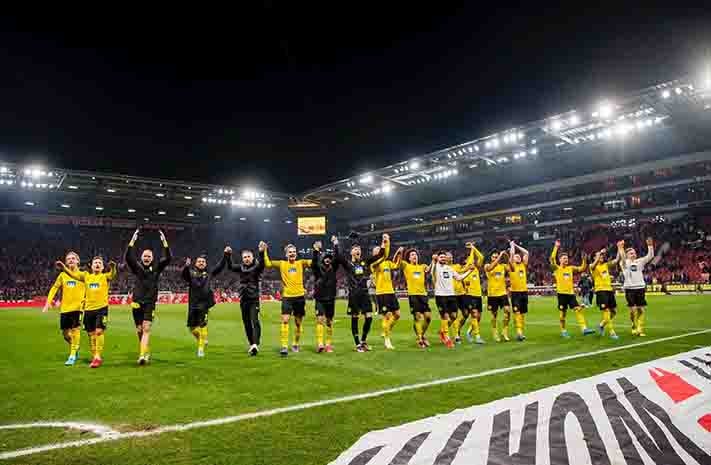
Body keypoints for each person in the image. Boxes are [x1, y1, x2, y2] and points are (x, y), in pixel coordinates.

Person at [56, 256, 117, 368]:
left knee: (99, 332)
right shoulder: (86, 276)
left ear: (103, 267)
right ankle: (94, 356)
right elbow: (72, 274)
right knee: (91, 334)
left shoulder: (105, 276)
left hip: (101, 308)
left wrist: (113, 267)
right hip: (88, 310)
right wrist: (64, 267)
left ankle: (98, 356)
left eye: (100, 263)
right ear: (91, 266)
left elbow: (112, 274)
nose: (97, 264)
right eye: (95, 263)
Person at [124, 228, 172, 365]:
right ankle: (145, 351)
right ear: (141, 258)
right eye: (145, 256)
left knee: (146, 328)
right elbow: (127, 257)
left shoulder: (157, 268)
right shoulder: (137, 268)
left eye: (149, 256)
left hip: (150, 303)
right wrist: (133, 240)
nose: (147, 258)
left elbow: (168, 258)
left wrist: (164, 242)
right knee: (139, 330)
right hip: (136, 303)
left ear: (153, 258)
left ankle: (142, 356)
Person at [333, 235, 384, 352]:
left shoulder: (365, 262)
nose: (358, 250)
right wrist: (336, 243)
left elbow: (379, 255)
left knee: (369, 317)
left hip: (365, 294)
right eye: (355, 249)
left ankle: (363, 341)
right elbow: (338, 256)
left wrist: (384, 243)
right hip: (354, 294)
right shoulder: (348, 264)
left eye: (359, 249)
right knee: (355, 317)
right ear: (351, 252)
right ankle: (357, 344)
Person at [264, 242, 312, 356]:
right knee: (285, 320)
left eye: (294, 252)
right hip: (287, 297)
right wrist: (265, 251)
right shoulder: (282, 264)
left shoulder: (301, 263)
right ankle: (284, 346)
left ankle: (295, 343)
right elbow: (267, 263)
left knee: (298, 323)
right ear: (286, 254)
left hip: (300, 296)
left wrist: (316, 251)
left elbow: (313, 262)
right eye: (290, 252)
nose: (292, 254)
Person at [181, 248, 229, 358]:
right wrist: (186, 266)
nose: (201, 263)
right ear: (196, 263)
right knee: (192, 328)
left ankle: (201, 349)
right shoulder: (191, 273)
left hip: (204, 304)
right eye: (199, 262)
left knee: (203, 326)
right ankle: (202, 339)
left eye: (203, 262)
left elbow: (220, 266)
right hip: (193, 304)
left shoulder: (209, 273)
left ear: (205, 264)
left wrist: (225, 255)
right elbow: (184, 275)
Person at [42, 251, 86, 366]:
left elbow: (91, 288)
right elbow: (54, 288)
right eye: (68, 259)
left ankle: (72, 356)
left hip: (78, 308)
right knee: (66, 334)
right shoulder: (62, 275)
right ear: (66, 262)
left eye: (73, 258)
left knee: (75, 330)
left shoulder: (83, 275)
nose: (70, 260)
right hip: (65, 308)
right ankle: (75, 346)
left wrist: (88, 300)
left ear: (78, 261)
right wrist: (48, 303)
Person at [227, 242, 267, 356]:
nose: (247, 259)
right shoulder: (240, 268)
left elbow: (262, 264)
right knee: (246, 323)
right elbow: (230, 266)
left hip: (254, 299)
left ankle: (255, 344)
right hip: (243, 299)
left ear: (252, 257)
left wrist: (261, 252)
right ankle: (251, 344)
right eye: (244, 257)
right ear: (242, 259)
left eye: (248, 256)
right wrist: (228, 255)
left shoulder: (256, 267)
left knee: (255, 321)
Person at [550, 240, 595, 338]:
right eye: (564, 258)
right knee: (562, 315)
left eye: (567, 258)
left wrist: (584, 260)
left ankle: (584, 329)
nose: (566, 260)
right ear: (560, 260)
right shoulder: (557, 268)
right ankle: (563, 330)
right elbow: (552, 258)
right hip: (561, 294)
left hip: (570, 294)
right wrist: (556, 247)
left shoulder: (571, 268)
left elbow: (582, 268)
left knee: (578, 309)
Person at [430, 250, 474, 348]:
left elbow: (459, 278)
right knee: (445, 316)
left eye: (444, 257)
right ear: (438, 258)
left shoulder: (449, 268)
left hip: (451, 295)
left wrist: (470, 271)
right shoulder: (436, 267)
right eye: (441, 257)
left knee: (454, 316)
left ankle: (442, 331)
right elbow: (431, 272)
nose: (443, 258)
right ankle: (447, 337)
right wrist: (433, 261)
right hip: (440, 295)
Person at [370, 234, 403, 350]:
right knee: (387, 316)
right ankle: (387, 340)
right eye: (377, 250)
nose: (379, 251)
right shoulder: (374, 264)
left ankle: (386, 331)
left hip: (390, 292)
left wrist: (400, 254)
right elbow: (384, 255)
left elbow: (397, 265)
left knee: (397, 315)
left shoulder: (387, 263)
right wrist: (386, 242)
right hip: (381, 293)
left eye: (380, 250)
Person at [618, 238, 655, 337]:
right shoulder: (624, 263)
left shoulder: (640, 262)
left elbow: (650, 256)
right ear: (627, 255)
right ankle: (633, 325)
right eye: (631, 253)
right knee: (632, 311)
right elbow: (622, 257)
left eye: (634, 253)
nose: (633, 254)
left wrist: (650, 246)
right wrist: (621, 248)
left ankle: (639, 328)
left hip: (640, 288)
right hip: (629, 288)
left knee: (641, 310)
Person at [399, 248, 434, 348]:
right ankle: (420, 339)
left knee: (428, 317)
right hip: (413, 295)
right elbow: (398, 261)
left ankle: (422, 335)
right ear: (409, 258)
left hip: (423, 295)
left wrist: (433, 260)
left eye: (416, 254)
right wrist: (400, 253)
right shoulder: (406, 266)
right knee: (417, 317)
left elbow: (429, 269)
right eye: (412, 255)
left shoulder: (422, 266)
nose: (415, 256)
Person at [312, 240, 340, 353]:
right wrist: (315, 250)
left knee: (329, 322)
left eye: (329, 258)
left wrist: (336, 245)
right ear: (322, 259)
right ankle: (320, 343)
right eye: (325, 258)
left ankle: (328, 344)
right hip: (320, 298)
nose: (328, 259)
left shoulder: (333, 268)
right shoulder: (318, 269)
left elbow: (337, 257)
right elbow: (314, 262)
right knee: (319, 320)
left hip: (331, 299)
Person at [589, 244, 622, 340]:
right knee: (606, 311)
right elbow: (593, 265)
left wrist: (620, 249)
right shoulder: (592, 266)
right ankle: (612, 332)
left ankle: (602, 325)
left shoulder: (606, 265)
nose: (602, 257)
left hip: (609, 290)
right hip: (600, 290)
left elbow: (616, 260)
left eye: (602, 256)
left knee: (614, 312)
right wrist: (600, 253)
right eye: (599, 256)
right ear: (595, 257)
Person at [461, 242, 486, 344]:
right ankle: (477, 336)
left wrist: (473, 248)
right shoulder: (464, 269)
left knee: (478, 316)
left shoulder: (475, 268)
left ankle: (468, 332)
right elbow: (471, 259)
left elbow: (481, 257)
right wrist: (471, 250)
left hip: (478, 295)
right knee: (474, 314)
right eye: (469, 259)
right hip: (469, 295)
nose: (472, 260)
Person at [484, 250, 511, 342]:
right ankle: (495, 332)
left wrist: (507, 257)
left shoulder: (503, 266)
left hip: (502, 293)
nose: (495, 258)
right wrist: (500, 256)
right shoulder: (487, 266)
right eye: (493, 257)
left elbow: (512, 269)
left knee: (507, 311)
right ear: (490, 258)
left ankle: (504, 331)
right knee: (494, 315)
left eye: (496, 257)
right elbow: (490, 268)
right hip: (492, 294)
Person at [449, 248, 475, 344]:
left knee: (466, 313)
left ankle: (450, 329)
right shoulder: (442, 268)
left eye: (451, 256)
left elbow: (465, 268)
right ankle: (456, 335)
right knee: (454, 315)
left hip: (462, 293)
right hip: (452, 294)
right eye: (448, 256)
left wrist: (472, 251)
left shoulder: (456, 266)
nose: (450, 257)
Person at [508, 241, 529, 342]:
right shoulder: (512, 267)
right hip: (515, 293)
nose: (518, 257)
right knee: (517, 312)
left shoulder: (523, 266)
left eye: (518, 256)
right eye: (516, 257)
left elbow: (526, 253)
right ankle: (519, 333)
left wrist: (516, 246)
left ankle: (521, 331)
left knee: (522, 313)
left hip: (524, 292)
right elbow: (511, 255)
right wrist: (512, 247)